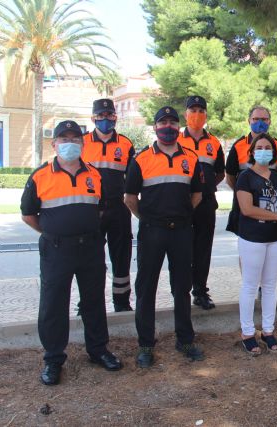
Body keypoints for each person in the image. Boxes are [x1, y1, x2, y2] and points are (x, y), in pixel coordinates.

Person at [21, 120, 122, 386]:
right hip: (56, 249)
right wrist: (54, 232)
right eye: (63, 139)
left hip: (90, 247)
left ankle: (98, 350)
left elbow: (99, 210)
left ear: (82, 143)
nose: (69, 143)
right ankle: (53, 358)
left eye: (75, 139)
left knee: (93, 301)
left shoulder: (94, 175)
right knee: (54, 304)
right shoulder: (40, 176)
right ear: (54, 144)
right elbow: (29, 215)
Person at [124, 106, 206, 368]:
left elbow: (197, 195)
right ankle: (145, 344)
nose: (168, 126)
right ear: (155, 127)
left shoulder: (191, 158)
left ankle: (185, 340)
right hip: (152, 231)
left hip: (182, 230)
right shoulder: (141, 159)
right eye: (163, 122)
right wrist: (148, 220)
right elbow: (129, 199)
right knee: (146, 288)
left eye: (172, 122)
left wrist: (181, 215)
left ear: (178, 126)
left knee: (181, 287)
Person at [235, 133, 277, 355]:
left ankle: (268, 330)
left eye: (268, 147)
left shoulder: (275, 177)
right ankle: (247, 333)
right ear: (252, 152)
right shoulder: (245, 177)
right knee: (250, 286)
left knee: (270, 285)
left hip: (275, 239)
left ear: (274, 153)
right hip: (252, 238)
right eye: (259, 147)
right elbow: (247, 209)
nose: (264, 151)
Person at [82, 98, 135, 312]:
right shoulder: (82, 142)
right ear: (93, 118)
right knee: (90, 259)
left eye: (109, 115)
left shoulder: (126, 144)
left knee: (121, 257)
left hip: (119, 208)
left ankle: (121, 302)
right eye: (101, 115)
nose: (105, 119)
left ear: (115, 117)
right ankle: (88, 303)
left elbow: (132, 178)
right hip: (91, 209)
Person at [177, 96, 225, 310]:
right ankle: (181, 291)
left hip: (206, 204)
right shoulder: (175, 140)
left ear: (206, 115)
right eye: (192, 109)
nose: (197, 114)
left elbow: (221, 172)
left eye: (200, 110)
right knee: (182, 249)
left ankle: (200, 292)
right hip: (182, 204)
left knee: (203, 250)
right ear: (185, 114)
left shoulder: (214, 142)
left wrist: (205, 187)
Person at [225, 105, 277, 235]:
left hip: (272, 208)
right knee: (246, 246)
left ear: (269, 121)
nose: (260, 122)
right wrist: (244, 192)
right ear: (249, 121)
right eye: (256, 119)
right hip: (245, 207)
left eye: (264, 119)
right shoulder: (238, 146)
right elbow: (230, 177)